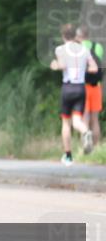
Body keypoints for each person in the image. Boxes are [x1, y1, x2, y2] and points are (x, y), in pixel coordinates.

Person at [51, 23, 97, 164]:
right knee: (77, 121)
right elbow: (94, 68)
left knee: (66, 123)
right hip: (81, 88)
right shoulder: (84, 49)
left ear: (63, 36)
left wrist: (55, 66)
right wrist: (82, 69)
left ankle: (68, 156)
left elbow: (63, 65)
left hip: (68, 87)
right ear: (75, 35)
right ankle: (85, 131)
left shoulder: (60, 49)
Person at [76, 26, 103, 148]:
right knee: (95, 120)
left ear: (78, 36)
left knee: (84, 119)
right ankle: (96, 148)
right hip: (96, 86)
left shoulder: (77, 49)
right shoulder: (98, 47)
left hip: (83, 87)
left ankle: (86, 148)